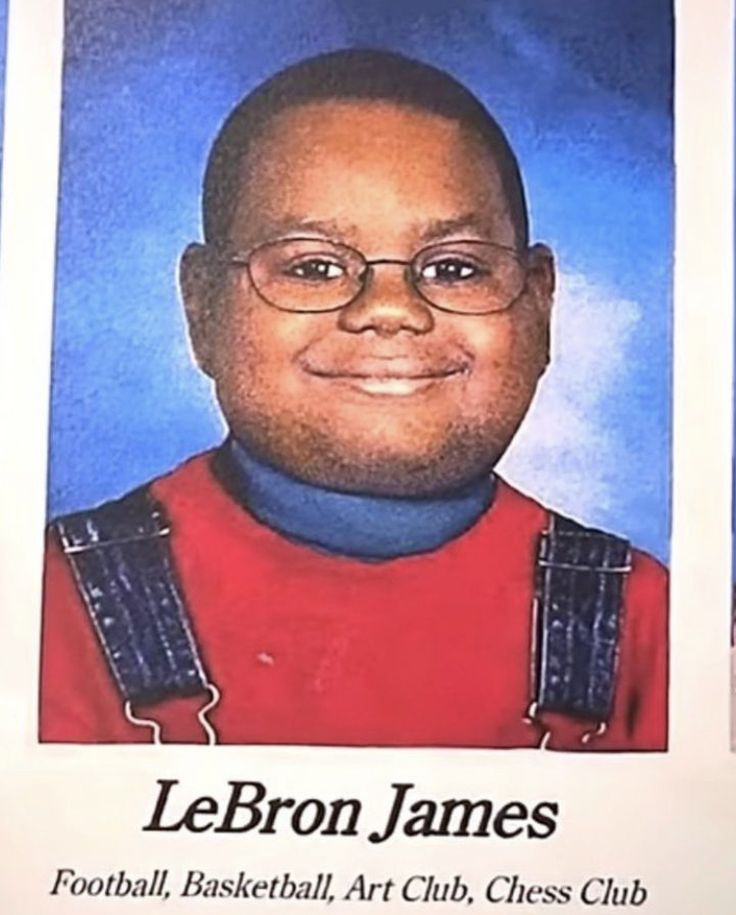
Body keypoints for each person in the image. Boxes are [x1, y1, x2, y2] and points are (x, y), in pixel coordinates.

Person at [39, 49, 667, 750]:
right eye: (314, 267)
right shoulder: (48, 607)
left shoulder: (654, 625)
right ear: (202, 306)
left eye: (455, 268)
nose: (391, 311)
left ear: (539, 303)